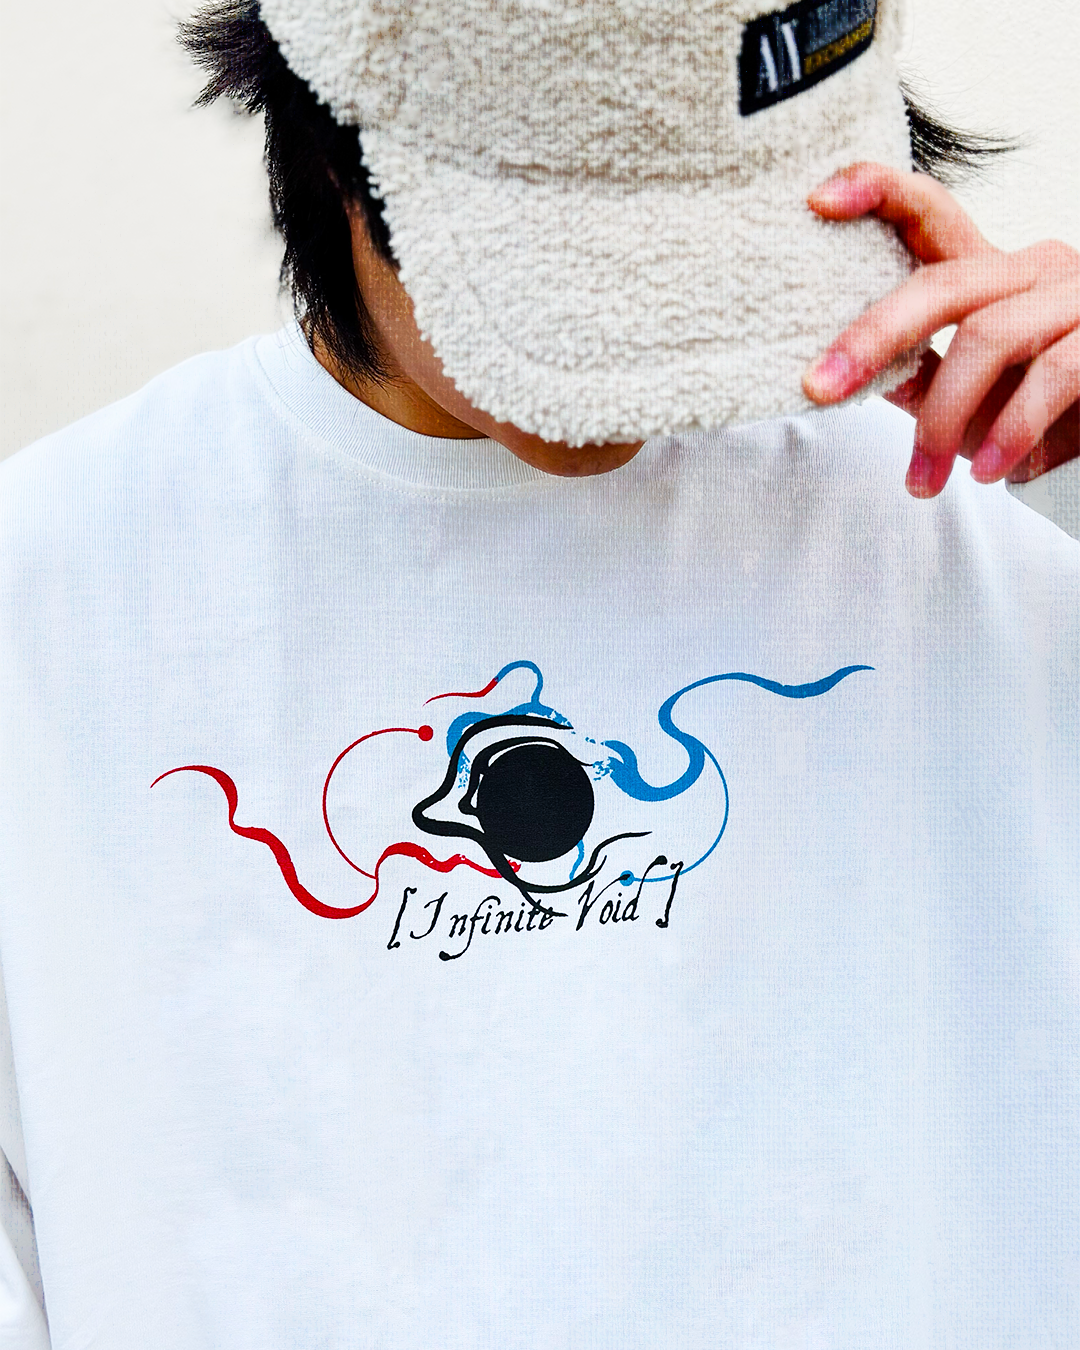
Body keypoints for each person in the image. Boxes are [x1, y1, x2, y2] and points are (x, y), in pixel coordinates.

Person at [0, 2, 1076, 1347]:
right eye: (587, 254)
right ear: (337, 147)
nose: (638, 344)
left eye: (701, 230)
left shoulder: (1001, 517)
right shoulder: (58, 593)